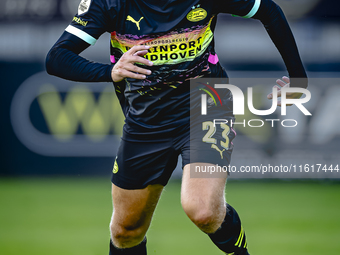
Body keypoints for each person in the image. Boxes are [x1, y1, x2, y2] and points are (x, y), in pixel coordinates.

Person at [46, 0, 307, 254]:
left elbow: (268, 9)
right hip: (146, 119)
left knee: (203, 210)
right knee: (126, 232)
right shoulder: (108, 3)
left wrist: (298, 78)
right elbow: (57, 57)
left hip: (207, 101)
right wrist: (111, 71)